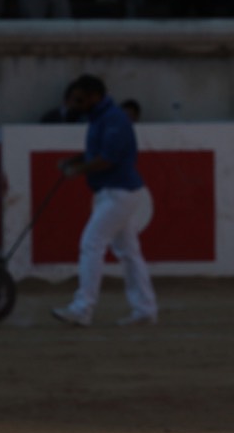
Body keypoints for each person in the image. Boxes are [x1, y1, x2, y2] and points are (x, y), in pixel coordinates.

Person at [52, 75, 157, 328]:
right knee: (129, 253)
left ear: (93, 96)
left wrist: (77, 169)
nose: (76, 104)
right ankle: (144, 308)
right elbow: (98, 155)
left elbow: (107, 159)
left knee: (92, 243)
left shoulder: (112, 119)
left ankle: (83, 308)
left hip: (119, 193)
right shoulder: (104, 117)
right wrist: (75, 161)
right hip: (115, 192)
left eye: (80, 98)